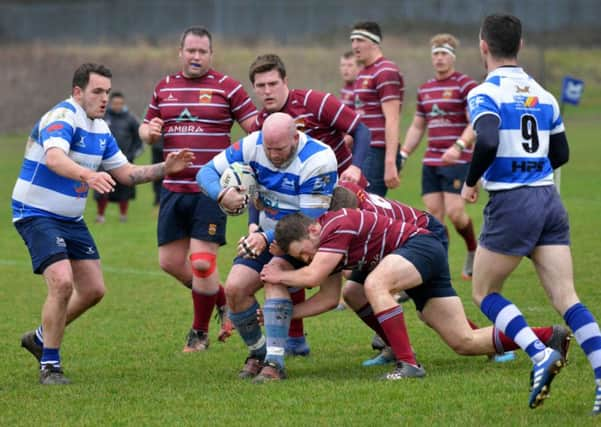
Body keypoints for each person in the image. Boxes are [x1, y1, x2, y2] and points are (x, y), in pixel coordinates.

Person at [14, 63, 193, 385]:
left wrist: (165, 167)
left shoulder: (100, 129)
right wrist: (88, 174)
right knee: (62, 283)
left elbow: (127, 173)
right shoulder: (62, 117)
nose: (104, 98)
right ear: (78, 92)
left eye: (107, 92)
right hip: (36, 211)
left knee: (94, 290)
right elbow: (55, 158)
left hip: (70, 218)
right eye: (97, 91)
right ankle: (50, 366)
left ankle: (41, 337)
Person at [462, 14, 601, 413]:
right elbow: (562, 154)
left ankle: (539, 353)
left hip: (513, 201)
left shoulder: (484, 92)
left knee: (484, 292)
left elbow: (486, 137)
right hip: (549, 200)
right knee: (567, 297)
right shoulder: (545, 94)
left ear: (483, 46)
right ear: (520, 45)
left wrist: (471, 181)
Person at [260, 209, 570, 382]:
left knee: (374, 285)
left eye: (305, 251)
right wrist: (285, 315)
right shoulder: (325, 250)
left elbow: (312, 277)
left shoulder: (336, 225)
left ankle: (408, 364)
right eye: (302, 257)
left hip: (421, 247)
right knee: (463, 341)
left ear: (313, 230)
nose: (309, 258)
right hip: (412, 260)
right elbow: (328, 298)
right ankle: (549, 337)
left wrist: (279, 275)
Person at [139, 26, 256, 352]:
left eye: (202, 51)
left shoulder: (227, 87)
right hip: (173, 189)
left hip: (211, 189)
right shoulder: (164, 87)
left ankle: (199, 333)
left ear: (210, 54)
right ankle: (222, 299)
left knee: (203, 262)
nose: (196, 56)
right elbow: (145, 130)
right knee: (170, 262)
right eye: (190, 50)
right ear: (181, 52)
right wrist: (150, 132)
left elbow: (254, 127)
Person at [196, 112, 338, 381]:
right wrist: (222, 194)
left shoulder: (319, 159)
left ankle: (275, 363)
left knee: (274, 275)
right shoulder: (253, 144)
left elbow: (307, 221)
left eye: (280, 149)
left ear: (295, 137)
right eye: (269, 149)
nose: (273, 155)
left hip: (305, 240)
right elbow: (205, 172)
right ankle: (257, 352)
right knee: (236, 288)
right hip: (267, 235)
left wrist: (264, 237)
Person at [248, 53, 371, 354]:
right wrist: (253, 221)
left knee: (369, 272)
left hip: (344, 199)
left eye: (273, 83)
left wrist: (355, 166)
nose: (267, 91)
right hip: (300, 208)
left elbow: (361, 130)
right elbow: (257, 179)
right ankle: (295, 339)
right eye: (260, 85)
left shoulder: (315, 102)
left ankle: (390, 328)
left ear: (285, 81)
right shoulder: (261, 126)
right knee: (291, 254)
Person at [400, 34, 478, 279]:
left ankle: (473, 250)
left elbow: (475, 121)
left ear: (452, 57)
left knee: (456, 213)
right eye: (435, 54)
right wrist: (403, 153)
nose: (439, 58)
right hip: (431, 161)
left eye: (444, 54)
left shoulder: (465, 85)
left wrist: (459, 145)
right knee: (434, 216)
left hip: (459, 160)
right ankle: (438, 266)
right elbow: (417, 126)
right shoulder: (426, 89)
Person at [350, 21, 403, 196]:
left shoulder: (385, 70)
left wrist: (389, 162)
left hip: (377, 151)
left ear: (374, 42)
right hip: (363, 149)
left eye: (360, 40)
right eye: (352, 40)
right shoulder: (363, 72)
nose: (354, 45)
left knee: (369, 208)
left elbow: (393, 118)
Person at [94, 91, 143, 223]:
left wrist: (132, 154)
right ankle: (100, 216)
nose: (117, 106)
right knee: (102, 188)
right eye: (115, 103)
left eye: (120, 103)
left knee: (124, 190)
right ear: (110, 103)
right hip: (103, 161)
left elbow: (140, 140)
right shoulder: (102, 117)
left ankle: (123, 216)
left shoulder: (131, 119)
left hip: (124, 161)